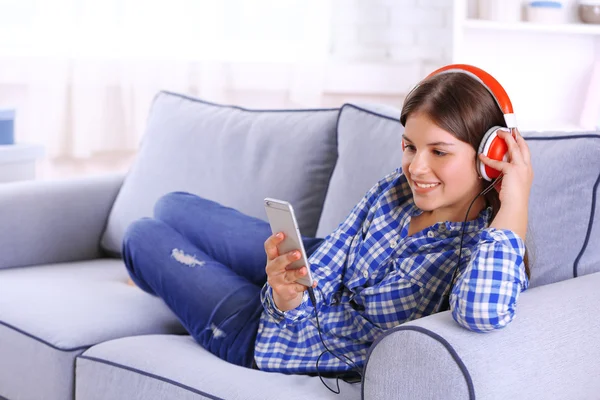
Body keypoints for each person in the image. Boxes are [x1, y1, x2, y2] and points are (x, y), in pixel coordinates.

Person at [122, 65, 533, 380]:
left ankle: (156, 273)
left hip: (269, 340)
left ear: (490, 156)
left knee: (142, 234)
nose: (416, 167)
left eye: (439, 152)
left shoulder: (485, 249)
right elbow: (326, 265)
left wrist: (515, 197)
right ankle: (171, 275)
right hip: (316, 270)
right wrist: (286, 296)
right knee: (171, 204)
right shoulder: (396, 190)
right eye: (409, 146)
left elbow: (483, 312)